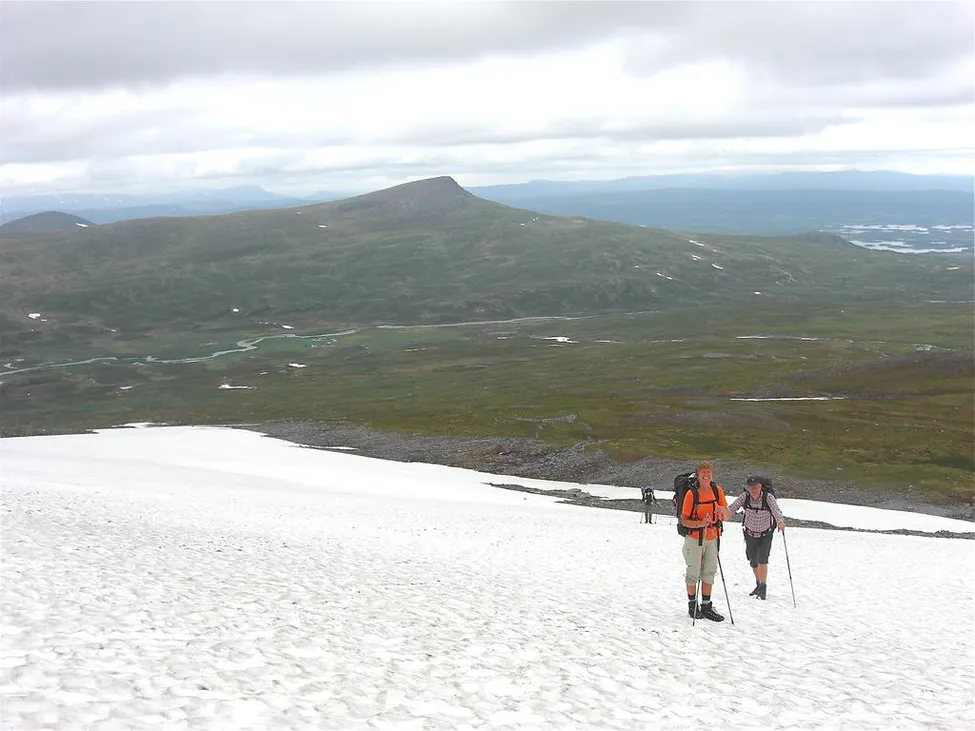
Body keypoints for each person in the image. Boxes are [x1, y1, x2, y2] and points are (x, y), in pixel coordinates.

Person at [679, 461, 729, 622]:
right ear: (698, 475)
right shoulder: (691, 494)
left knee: (709, 571)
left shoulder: (717, 490)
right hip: (695, 538)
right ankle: (692, 606)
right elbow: (684, 520)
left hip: (713, 537)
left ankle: (706, 606)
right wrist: (701, 523)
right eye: (703, 472)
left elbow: (726, 515)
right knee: (693, 572)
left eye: (708, 472)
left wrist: (722, 512)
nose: (706, 475)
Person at [728, 475, 785, 600]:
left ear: (761, 487)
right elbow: (733, 507)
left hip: (766, 533)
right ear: (748, 488)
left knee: (762, 560)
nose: (754, 489)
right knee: (753, 561)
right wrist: (724, 514)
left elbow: (776, 510)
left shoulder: (768, 497)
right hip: (750, 533)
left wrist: (780, 522)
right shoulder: (745, 497)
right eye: (751, 487)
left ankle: (763, 587)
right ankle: (758, 584)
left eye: (757, 487)